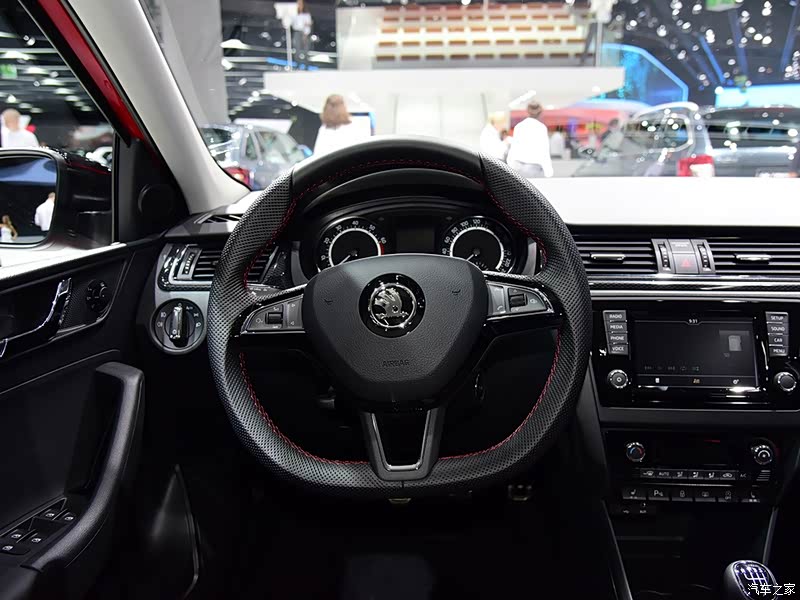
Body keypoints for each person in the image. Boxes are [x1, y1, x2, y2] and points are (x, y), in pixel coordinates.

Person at [506, 101, 553, 178]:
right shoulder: (541, 127)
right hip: (534, 168)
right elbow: (544, 150)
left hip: (517, 167)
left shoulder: (519, 126)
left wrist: (510, 164)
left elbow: (514, 147)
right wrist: (548, 171)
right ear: (540, 112)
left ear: (528, 111)